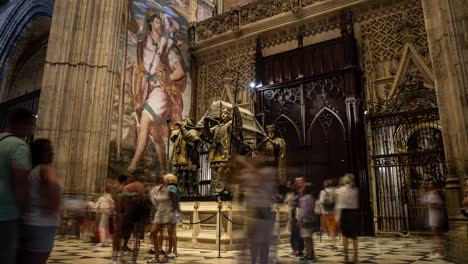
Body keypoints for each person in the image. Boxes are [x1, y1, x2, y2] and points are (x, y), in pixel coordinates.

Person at [128, 8, 187, 175]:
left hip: (160, 89)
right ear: (150, 23)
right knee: (156, 134)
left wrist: (167, 77)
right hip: (146, 88)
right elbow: (131, 26)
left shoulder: (168, 47)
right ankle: (163, 171)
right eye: (157, 21)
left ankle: (133, 165)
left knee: (145, 120)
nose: (160, 24)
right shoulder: (143, 40)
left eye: (161, 21)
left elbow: (180, 72)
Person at [17, 139, 62, 264]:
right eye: (47, 150)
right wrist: (55, 205)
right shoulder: (46, 169)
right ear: (38, 153)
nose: (51, 153)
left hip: (27, 221)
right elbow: (52, 186)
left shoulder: (31, 171)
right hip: (43, 224)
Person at [0, 108, 34, 264]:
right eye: (30, 125)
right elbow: (20, 182)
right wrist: (25, 211)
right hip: (6, 213)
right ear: (24, 124)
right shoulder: (19, 146)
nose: (30, 129)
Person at [148, 174, 178, 263]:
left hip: (169, 212)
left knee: (170, 233)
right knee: (153, 233)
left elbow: (175, 202)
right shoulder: (155, 190)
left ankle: (168, 255)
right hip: (160, 212)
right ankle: (157, 256)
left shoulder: (169, 189)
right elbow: (154, 202)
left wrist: (173, 213)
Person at [335, 173, 360, 263]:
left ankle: (346, 256)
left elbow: (338, 205)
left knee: (345, 236)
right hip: (354, 213)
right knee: (354, 237)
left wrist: (337, 218)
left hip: (344, 214)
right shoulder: (355, 190)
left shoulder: (339, 190)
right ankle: (356, 256)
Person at [421, 180, 446, 259]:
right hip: (431, 214)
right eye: (428, 183)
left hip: (436, 214)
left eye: (431, 183)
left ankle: (440, 252)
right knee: (435, 234)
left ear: (434, 184)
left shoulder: (435, 192)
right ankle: (437, 250)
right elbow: (425, 203)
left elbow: (438, 205)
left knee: (437, 233)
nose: (429, 185)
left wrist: (429, 203)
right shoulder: (430, 192)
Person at [298, 183, 317, 263]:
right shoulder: (312, 197)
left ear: (305, 190)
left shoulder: (305, 198)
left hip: (305, 220)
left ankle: (309, 256)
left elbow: (304, 211)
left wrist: (300, 219)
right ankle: (310, 254)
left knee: (307, 239)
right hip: (311, 219)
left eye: (302, 187)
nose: (300, 189)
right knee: (309, 238)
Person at [286, 177, 304, 257]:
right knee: (294, 233)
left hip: (299, 215)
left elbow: (300, 205)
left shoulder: (300, 194)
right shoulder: (291, 195)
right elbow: (288, 203)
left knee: (299, 233)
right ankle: (295, 249)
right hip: (294, 215)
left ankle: (299, 249)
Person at [318, 179, 337, 249]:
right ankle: (333, 242)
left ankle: (332, 242)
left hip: (325, 212)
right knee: (333, 228)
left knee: (327, 227)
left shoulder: (323, 192)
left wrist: (319, 203)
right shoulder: (335, 190)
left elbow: (321, 201)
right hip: (334, 211)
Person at [165, 174, 180, 258]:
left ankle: (174, 251)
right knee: (171, 232)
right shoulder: (174, 187)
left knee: (172, 232)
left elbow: (173, 199)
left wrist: (172, 209)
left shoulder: (170, 188)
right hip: (175, 211)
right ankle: (170, 249)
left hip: (172, 211)